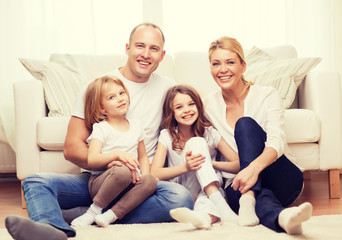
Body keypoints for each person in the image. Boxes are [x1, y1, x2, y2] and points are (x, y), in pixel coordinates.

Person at [5, 23, 193, 240]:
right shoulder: (99, 88)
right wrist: (109, 162)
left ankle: (88, 215)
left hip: (140, 185)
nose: (145, 54)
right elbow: (72, 147)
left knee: (181, 198)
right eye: (140, 46)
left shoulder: (168, 88)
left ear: (162, 55)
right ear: (127, 48)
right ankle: (53, 230)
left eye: (154, 48)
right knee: (35, 181)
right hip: (100, 179)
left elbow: (184, 126)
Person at [204, 36, 313, 235]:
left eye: (230, 62)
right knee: (259, 198)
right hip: (237, 186)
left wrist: (253, 169)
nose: (222, 69)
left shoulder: (267, 95)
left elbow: (276, 141)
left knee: (244, 124)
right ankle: (283, 218)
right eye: (216, 63)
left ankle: (249, 197)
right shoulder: (208, 106)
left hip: (282, 177)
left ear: (243, 66)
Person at [70, 76, 158, 227]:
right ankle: (94, 211)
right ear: (102, 108)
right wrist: (118, 154)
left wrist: (143, 177)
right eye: (112, 97)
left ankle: (111, 215)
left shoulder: (136, 125)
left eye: (122, 93)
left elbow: (143, 157)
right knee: (122, 171)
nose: (120, 99)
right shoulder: (101, 128)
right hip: (102, 184)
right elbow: (92, 159)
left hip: (130, 182)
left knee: (151, 181)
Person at [151, 85, 240, 229]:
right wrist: (185, 167)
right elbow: (154, 173)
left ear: (198, 106)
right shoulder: (167, 135)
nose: (187, 110)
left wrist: (211, 164)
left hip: (207, 194)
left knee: (206, 205)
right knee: (196, 142)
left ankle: (203, 218)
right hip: (183, 190)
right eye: (179, 107)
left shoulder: (210, 132)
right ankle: (221, 205)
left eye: (191, 104)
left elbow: (238, 164)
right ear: (171, 112)